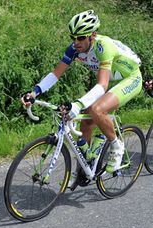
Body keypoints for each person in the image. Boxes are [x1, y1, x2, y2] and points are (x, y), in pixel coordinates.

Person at [21, 10, 143, 184]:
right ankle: (85, 168)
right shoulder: (74, 49)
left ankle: (116, 145)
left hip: (129, 79)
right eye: (73, 37)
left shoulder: (103, 46)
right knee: (86, 120)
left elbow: (102, 85)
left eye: (80, 38)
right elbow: (56, 74)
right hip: (109, 82)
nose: (75, 42)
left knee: (96, 109)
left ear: (92, 35)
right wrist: (34, 92)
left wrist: (77, 104)